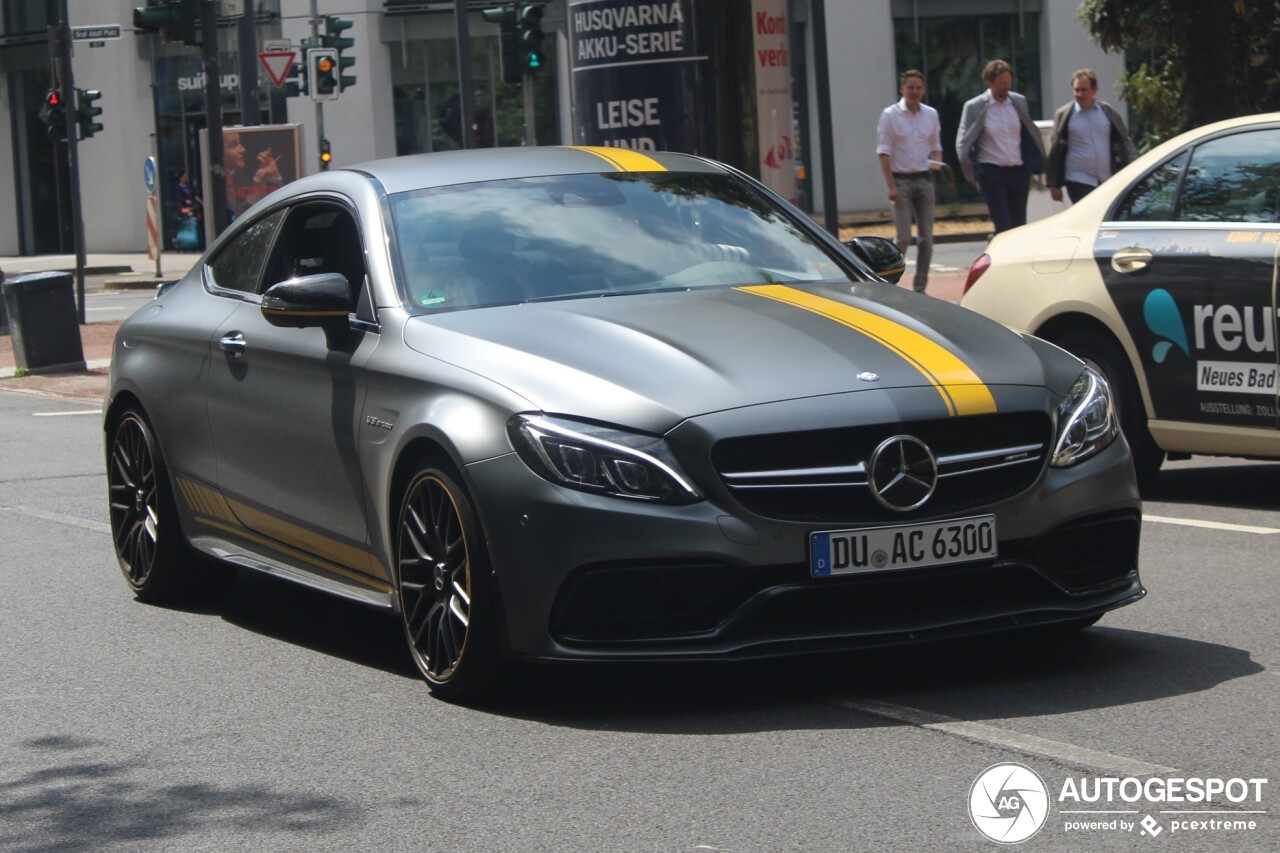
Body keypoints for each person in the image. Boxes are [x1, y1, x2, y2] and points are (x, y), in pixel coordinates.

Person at [956, 59, 1046, 234]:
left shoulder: (1019, 102)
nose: (1006, 87)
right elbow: (963, 140)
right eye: (1001, 83)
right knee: (1003, 224)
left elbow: (1028, 133)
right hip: (991, 171)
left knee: (1019, 224)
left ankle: (1018, 259)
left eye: (1008, 82)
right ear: (989, 83)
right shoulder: (974, 106)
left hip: (1019, 170)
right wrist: (972, 170)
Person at [875, 69, 943, 293]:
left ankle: (920, 288)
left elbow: (936, 147)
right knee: (903, 238)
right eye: (910, 87)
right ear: (902, 89)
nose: (914, 92)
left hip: (924, 180)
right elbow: (883, 152)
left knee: (927, 238)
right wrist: (891, 186)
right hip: (901, 181)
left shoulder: (931, 114)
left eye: (918, 88)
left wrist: (936, 164)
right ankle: (889, 283)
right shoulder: (890, 115)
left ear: (923, 90)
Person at [1045, 68, 1139, 204]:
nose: (1079, 94)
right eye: (1076, 90)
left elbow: (1124, 140)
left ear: (1094, 90)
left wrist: (1134, 165)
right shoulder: (1064, 115)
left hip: (1107, 179)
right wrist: (1054, 184)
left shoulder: (1107, 112)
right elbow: (1054, 150)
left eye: (1084, 90)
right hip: (1078, 179)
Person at [224, 131, 282, 221]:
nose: (242, 149)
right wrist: (257, 189)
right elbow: (238, 219)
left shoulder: (240, 178)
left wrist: (273, 176)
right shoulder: (213, 185)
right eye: (234, 145)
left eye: (240, 143)